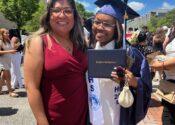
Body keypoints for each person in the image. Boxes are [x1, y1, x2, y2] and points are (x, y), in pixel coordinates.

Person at [86, 0, 152, 125]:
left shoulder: (131, 54)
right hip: (93, 115)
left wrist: (135, 82)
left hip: (118, 117)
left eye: (106, 24)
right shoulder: (87, 51)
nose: (100, 27)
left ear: (116, 27)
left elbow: (146, 88)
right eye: (97, 22)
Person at [23, 0, 88, 125]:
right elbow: (31, 87)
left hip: (83, 117)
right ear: (49, 15)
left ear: (74, 16)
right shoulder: (38, 42)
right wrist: (42, 122)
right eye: (56, 10)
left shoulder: (81, 44)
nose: (62, 15)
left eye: (68, 11)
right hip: (54, 119)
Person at [151, 21, 175, 125]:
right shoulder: (170, 34)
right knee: (167, 116)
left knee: (167, 117)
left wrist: (160, 65)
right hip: (169, 83)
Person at [0, 28, 18, 97]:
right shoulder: (0, 41)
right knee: (8, 76)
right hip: (2, 61)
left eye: (8, 33)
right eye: (6, 33)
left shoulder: (8, 41)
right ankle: (11, 92)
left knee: (3, 76)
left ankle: (0, 89)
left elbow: (10, 49)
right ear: (2, 34)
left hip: (7, 61)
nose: (8, 34)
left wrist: (14, 49)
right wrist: (10, 51)